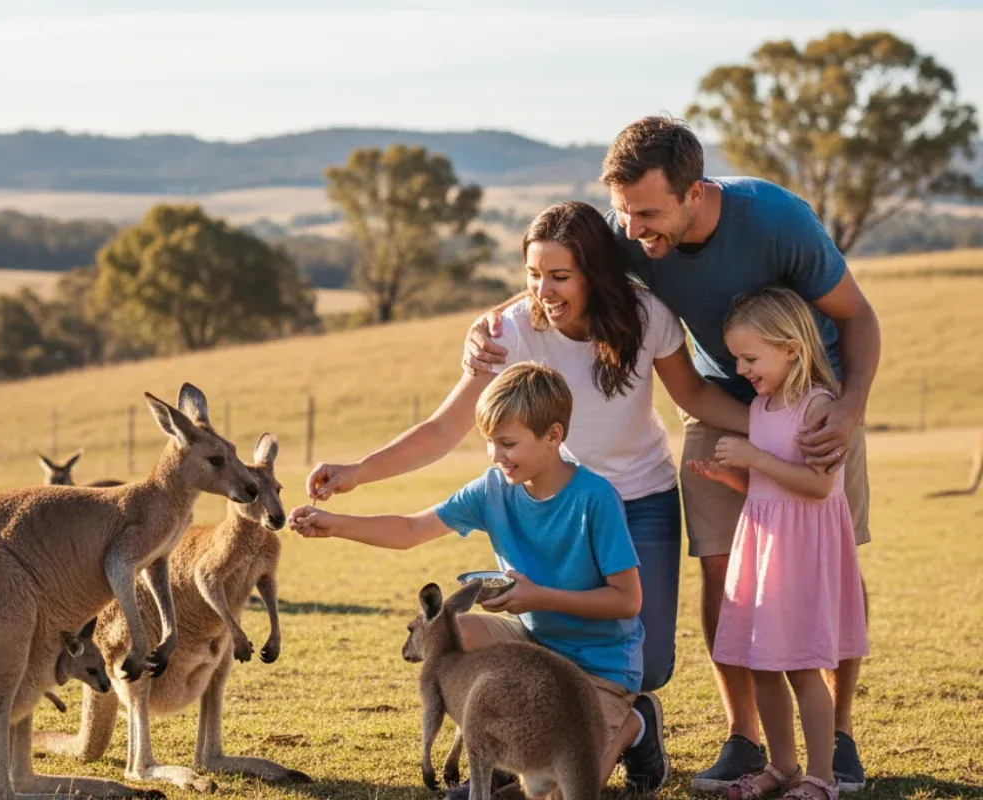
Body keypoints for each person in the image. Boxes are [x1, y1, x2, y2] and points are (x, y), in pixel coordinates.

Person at [464, 116, 880, 792]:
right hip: (719, 399)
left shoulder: (779, 222)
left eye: (648, 214)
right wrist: (484, 325)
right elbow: (564, 274)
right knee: (726, 570)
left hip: (817, 402)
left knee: (830, 570)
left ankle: (839, 736)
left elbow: (858, 315)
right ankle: (748, 739)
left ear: (695, 192)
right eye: (624, 213)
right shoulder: (631, 228)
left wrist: (850, 406)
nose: (633, 230)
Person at [304, 200, 748, 794]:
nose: (544, 290)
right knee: (487, 638)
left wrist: (776, 427)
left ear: (594, 272)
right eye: (533, 275)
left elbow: (694, 394)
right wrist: (356, 474)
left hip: (637, 498)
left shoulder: (647, 316)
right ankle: (534, 733)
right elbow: (442, 430)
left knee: (653, 663)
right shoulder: (511, 329)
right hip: (544, 493)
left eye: (560, 276)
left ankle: (635, 719)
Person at [290, 362, 667, 793]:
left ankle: (636, 723)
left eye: (507, 443)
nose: (495, 455)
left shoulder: (595, 499)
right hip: (533, 647)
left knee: (563, 790)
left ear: (554, 436)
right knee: (454, 635)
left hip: (599, 666)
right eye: (489, 442)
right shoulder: (493, 489)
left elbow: (626, 601)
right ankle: (500, 744)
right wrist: (334, 523)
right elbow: (412, 529)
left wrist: (539, 597)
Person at [686, 287, 869, 800]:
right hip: (763, 549)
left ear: (791, 348)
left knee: (801, 665)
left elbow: (817, 485)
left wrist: (754, 457)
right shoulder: (763, 407)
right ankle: (782, 765)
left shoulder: (819, 407)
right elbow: (770, 485)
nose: (742, 369)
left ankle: (822, 776)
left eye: (750, 357)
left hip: (800, 555)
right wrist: (731, 477)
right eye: (737, 359)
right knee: (760, 661)